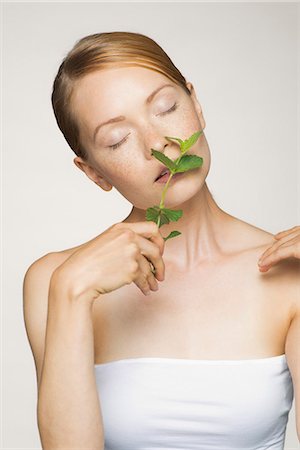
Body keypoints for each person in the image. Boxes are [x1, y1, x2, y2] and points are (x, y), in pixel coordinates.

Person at [23, 31, 299, 450]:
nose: (159, 145)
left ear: (196, 103)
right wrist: (71, 292)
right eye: (118, 139)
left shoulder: (288, 269)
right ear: (94, 172)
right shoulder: (55, 281)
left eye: (166, 108)